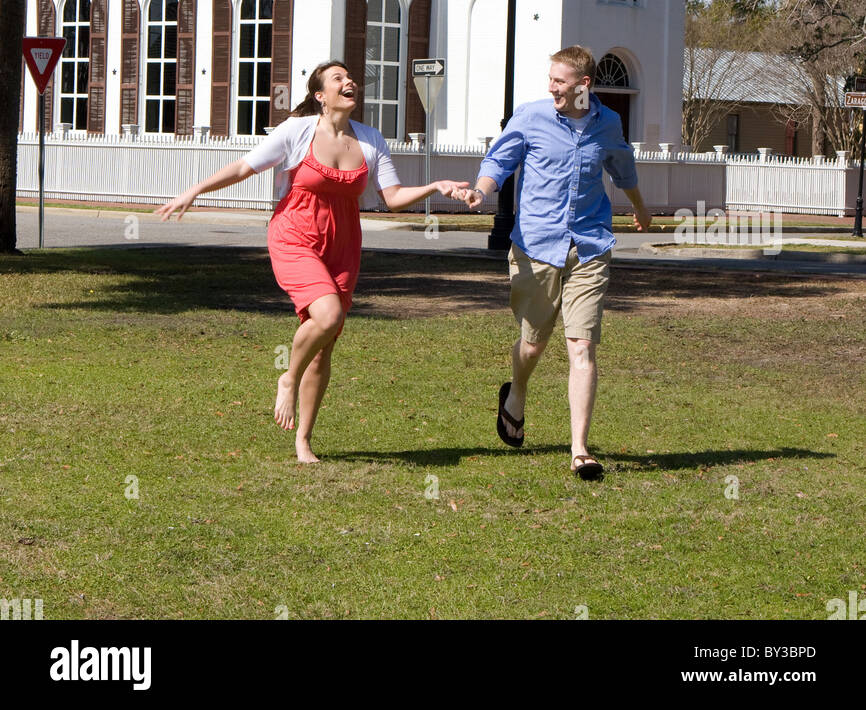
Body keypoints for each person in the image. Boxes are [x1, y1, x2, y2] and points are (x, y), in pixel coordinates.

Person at [157, 61, 468, 462]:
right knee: (327, 315)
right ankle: (288, 377)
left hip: (342, 245)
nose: (349, 81)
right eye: (338, 77)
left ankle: (304, 440)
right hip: (295, 234)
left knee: (325, 343)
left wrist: (435, 186)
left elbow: (391, 197)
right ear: (321, 95)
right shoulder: (297, 131)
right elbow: (243, 167)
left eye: (349, 76)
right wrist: (195, 190)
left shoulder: (371, 141)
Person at [454, 45, 652, 480]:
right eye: (550, 80)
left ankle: (579, 450)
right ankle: (517, 392)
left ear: (584, 86)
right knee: (533, 343)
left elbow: (623, 169)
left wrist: (639, 208)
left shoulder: (609, 123)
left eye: (559, 81)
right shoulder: (531, 116)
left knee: (581, 345)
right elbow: (500, 160)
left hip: (590, 246)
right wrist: (481, 191)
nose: (552, 88)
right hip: (536, 248)